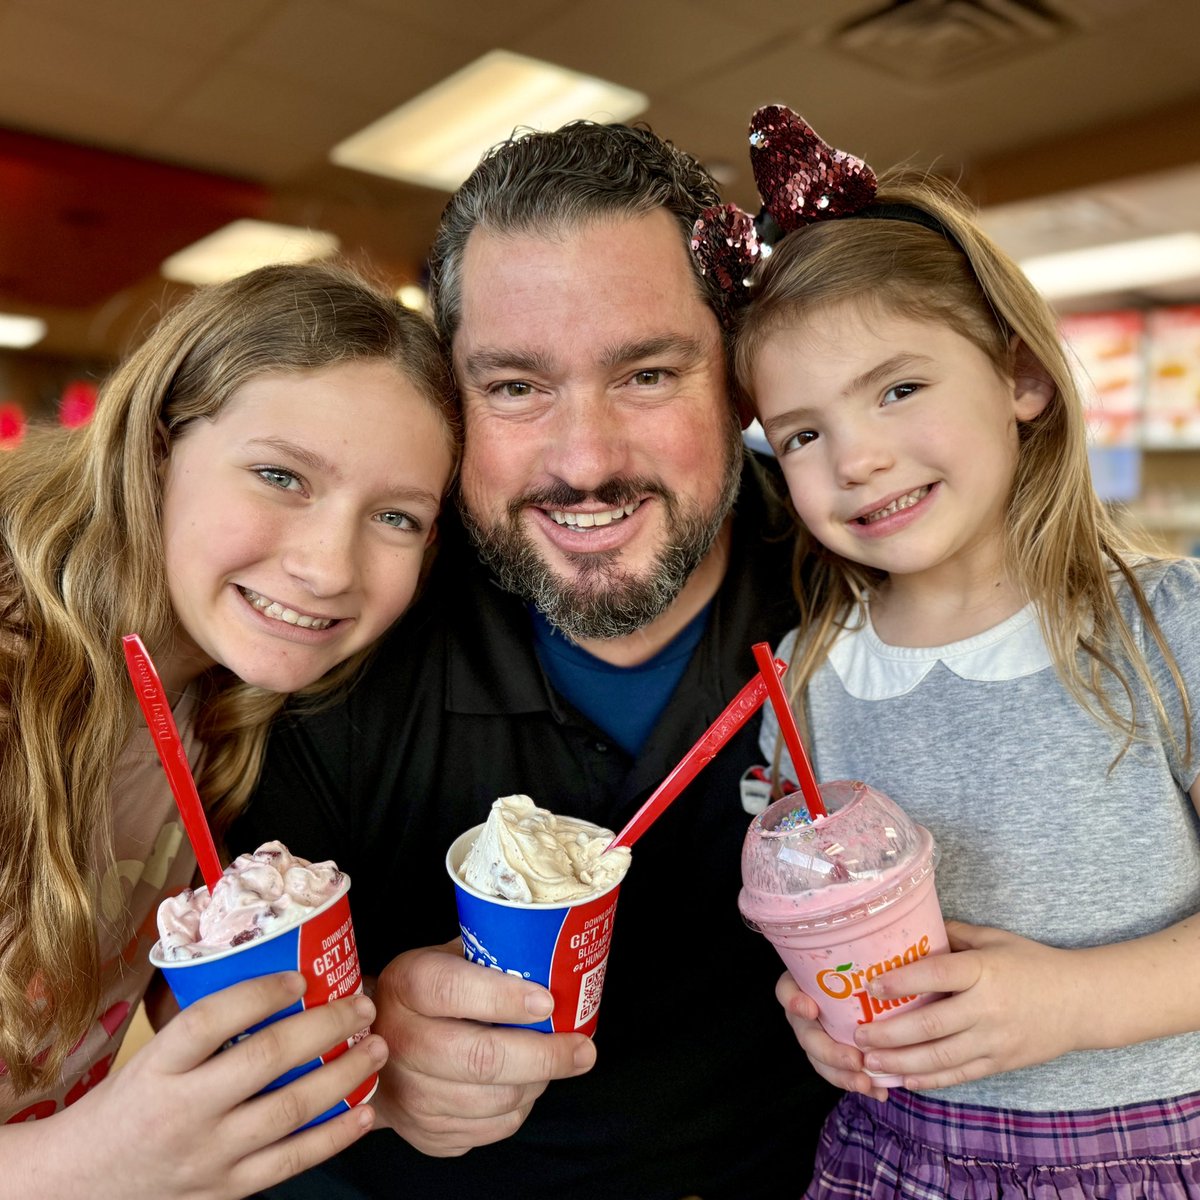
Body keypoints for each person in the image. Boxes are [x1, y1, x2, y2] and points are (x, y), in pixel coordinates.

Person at [230, 119, 839, 1199]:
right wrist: (357, 1053)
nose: (585, 462)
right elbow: (223, 1041)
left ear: (739, 380)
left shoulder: (866, 586)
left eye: (648, 374)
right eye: (515, 387)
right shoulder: (341, 630)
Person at [730, 108, 1200, 1197]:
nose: (859, 457)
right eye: (800, 432)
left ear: (1020, 379)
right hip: (893, 1160)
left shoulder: (1170, 629)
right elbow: (813, 916)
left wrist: (1077, 1003)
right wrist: (816, 1011)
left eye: (898, 388)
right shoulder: (803, 676)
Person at [0, 261, 459, 1198]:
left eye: (397, 517)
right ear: (158, 446)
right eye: (281, 474)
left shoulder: (229, 702)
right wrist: (84, 1167)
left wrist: (374, 1054)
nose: (331, 566)